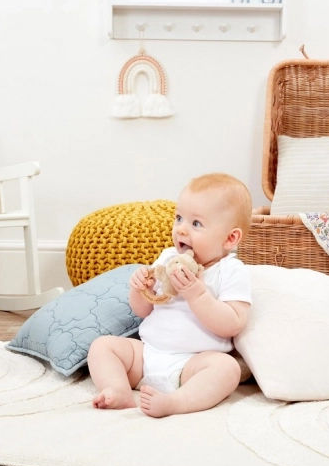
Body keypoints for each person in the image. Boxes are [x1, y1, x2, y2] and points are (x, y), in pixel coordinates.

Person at [87, 173, 253, 418]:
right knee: (102, 346)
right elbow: (143, 311)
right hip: (146, 356)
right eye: (179, 218)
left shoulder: (230, 271)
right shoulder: (166, 258)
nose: (181, 230)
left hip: (192, 365)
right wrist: (140, 288)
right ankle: (118, 389)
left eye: (196, 224)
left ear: (230, 238)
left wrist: (197, 294)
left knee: (227, 369)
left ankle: (177, 402)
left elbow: (233, 323)